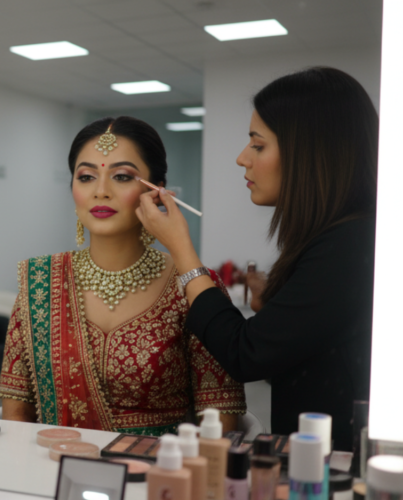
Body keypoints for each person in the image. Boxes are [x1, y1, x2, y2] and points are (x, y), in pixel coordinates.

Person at [137, 67, 377, 451]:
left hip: (336, 465)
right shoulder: (338, 237)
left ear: (309, 153)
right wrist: (277, 310)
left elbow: (244, 354)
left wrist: (181, 249)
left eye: (258, 146)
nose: (241, 159)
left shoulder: (350, 243)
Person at [0, 117, 245, 435]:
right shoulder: (41, 284)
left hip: (158, 474)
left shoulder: (193, 288)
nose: (101, 191)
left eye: (121, 176)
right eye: (86, 176)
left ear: (156, 190)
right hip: (56, 470)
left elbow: (220, 423)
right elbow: (16, 415)